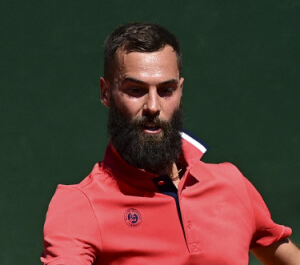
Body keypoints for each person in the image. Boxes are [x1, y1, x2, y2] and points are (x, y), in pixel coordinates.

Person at [41, 22, 300, 264]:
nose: (153, 107)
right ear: (106, 93)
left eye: (166, 90)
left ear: (180, 90)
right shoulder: (78, 206)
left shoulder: (231, 184)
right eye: (135, 90)